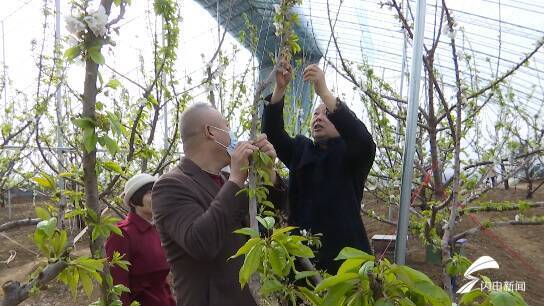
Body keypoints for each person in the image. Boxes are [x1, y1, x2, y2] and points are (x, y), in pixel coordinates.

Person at [151, 103, 286, 306]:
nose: (233, 135)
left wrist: (269, 174)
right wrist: (236, 179)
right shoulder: (170, 185)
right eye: (227, 127)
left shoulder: (226, 180)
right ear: (210, 132)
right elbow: (200, 243)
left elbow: (269, 221)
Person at [262, 61, 376, 274]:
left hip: (345, 261)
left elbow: (362, 139)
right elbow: (273, 136)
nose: (319, 118)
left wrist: (323, 91)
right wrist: (280, 88)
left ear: (341, 123)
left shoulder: (352, 154)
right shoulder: (301, 149)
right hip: (301, 260)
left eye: (327, 114)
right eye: (315, 114)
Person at [105, 173, 176, 306]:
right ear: (133, 201)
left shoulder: (157, 230)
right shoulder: (122, 235)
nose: (156, 197)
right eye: (149, 192)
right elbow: (117, 286)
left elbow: (161, 281)